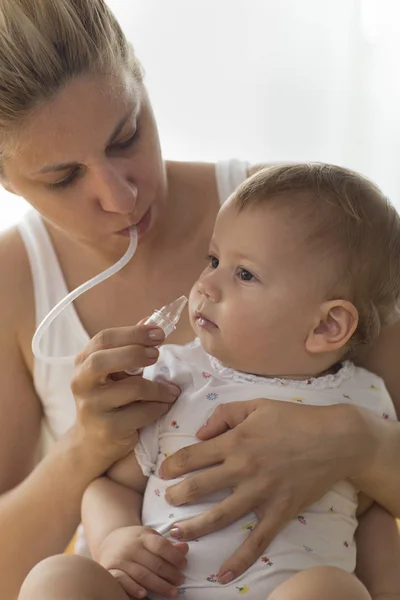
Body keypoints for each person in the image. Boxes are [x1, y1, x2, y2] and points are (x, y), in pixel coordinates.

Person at [0, 1, 398, 598]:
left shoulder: (307, 221)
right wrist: (90, 447)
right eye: (63, 178)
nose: (120, 195)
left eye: (127, 135)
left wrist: (358, 443)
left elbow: (375, 524)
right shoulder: (18, 282)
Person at [19, 164, 400, 600]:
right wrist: (114, 540)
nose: (206, 285)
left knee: (331, 590)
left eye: (244, 274)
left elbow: (374, 519)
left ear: (328, 326)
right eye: (214, 260)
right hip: (159, 591)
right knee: (57, 579)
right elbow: (113, 483)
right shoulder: (173, 378)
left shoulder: (363, 398)